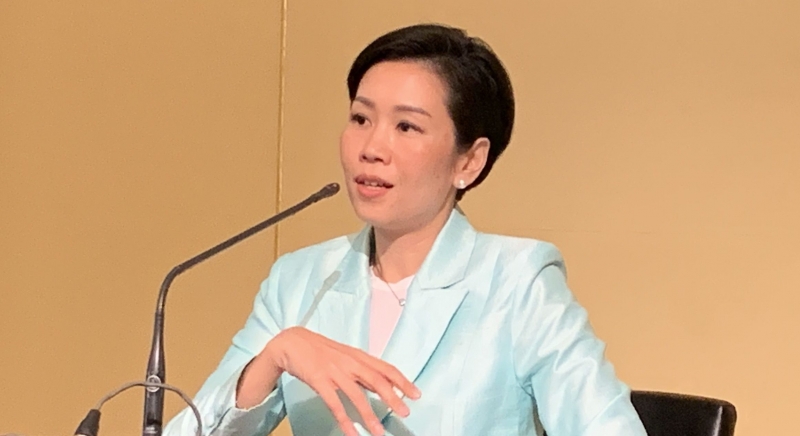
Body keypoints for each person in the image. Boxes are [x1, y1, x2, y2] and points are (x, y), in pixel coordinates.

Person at [165, 23, 647, 436]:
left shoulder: (518, 281)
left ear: (469, 161)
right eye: (360, 118)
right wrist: (275, 357)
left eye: (406, 127)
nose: (371, 148)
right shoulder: (300, 281)